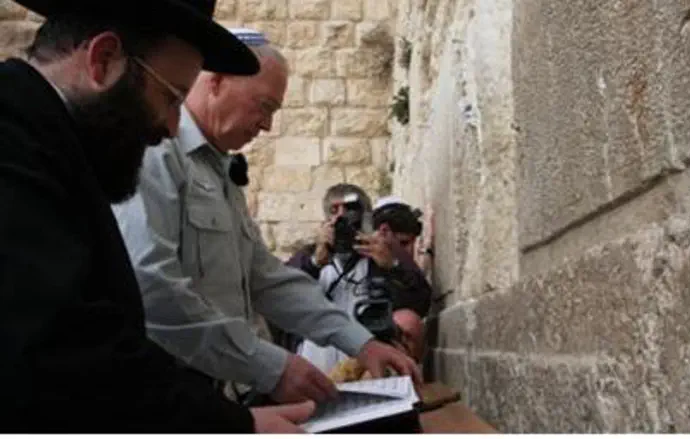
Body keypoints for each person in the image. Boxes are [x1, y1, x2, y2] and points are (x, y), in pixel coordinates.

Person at [0, 0, 315, 432]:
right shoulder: (13, 144)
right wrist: (233, 425)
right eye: (171, 99)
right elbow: (61, 349)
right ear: (104, 60)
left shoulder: (52, 146)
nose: (170, 127)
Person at [111, 30, 421, 408]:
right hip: (167, 400)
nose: (267, 125)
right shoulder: (158, 152)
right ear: (216, 81)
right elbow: (150, 287)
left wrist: (362, 342)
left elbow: (266, 279)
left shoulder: (219, 173)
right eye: (264, 106)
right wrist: (271, 366)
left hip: (220, 394)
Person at [285, 186, 433, 374]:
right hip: (317, 355)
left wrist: (393, 266)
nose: (342, 217)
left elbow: (421, 302)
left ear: (365, 216)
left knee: (408, 321)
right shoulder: (310, 255)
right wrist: (315, 262)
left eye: (350, 209)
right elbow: (282, 294)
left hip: (369, 353)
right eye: (334, 210)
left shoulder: (383, 251)